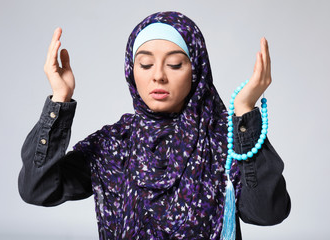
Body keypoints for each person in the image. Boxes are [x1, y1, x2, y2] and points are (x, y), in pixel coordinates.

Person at [19, 11, 290, 239]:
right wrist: (59, 100)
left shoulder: (223, 141)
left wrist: (245, 114)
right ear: (131, 70)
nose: (158, 76)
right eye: (146, 64)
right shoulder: (115, 144)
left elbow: (267, 212)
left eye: (174, 64)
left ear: (196, 70)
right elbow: (39, 190)